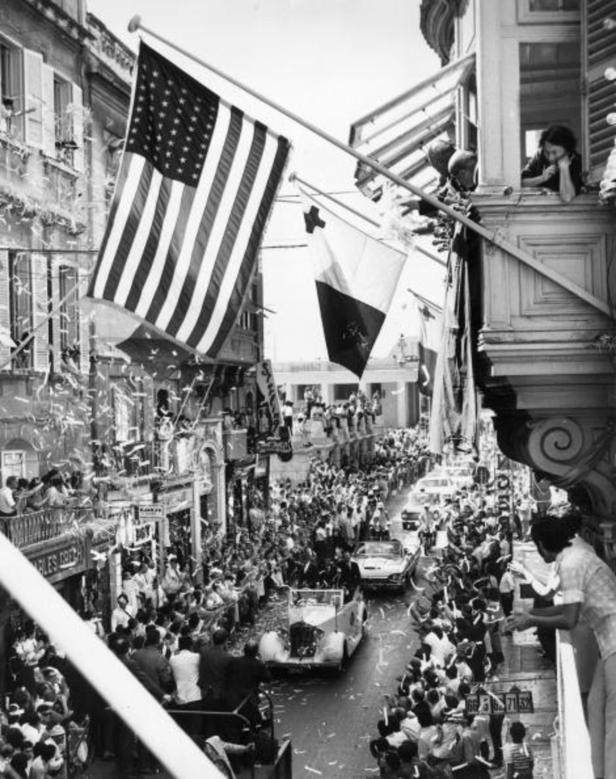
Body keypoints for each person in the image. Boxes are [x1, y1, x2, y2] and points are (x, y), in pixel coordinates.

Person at [507, 514, 616, 779]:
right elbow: (567, 608)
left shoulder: (570, 564)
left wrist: (531, 618)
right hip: (607, 642)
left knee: (612, 720)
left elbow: (569, 618)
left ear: (544, 544)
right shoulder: (576, 554)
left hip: (613, 640)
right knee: (595, 706)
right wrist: (530, 617)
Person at [521, 124, 583, 203]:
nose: (550, 158)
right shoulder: (540, 155)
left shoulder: (578, 161)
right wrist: (542, 178)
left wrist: (564, 168)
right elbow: (523, 183)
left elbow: (567, 197)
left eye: (555, 152)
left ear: (567, 151)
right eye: (547, 152)